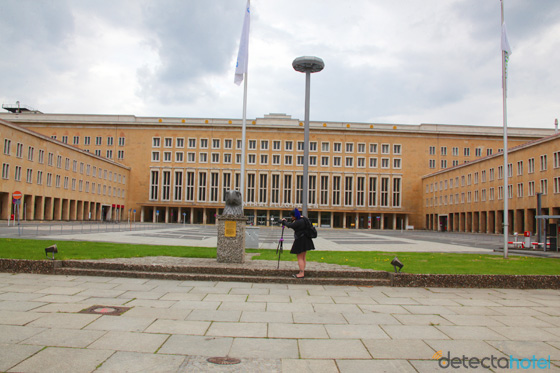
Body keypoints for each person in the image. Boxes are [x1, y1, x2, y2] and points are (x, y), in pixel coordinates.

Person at [281, 208, 315, 278]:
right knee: (303, 257)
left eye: (292, 216)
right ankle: (302, 271)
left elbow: (290, 225)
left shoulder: (299, 222)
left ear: (294, 216)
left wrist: (283, 221)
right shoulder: (304, 219)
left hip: (300, 240)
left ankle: (301, 273)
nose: (292, 218)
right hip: (306, 239)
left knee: (299, 257)